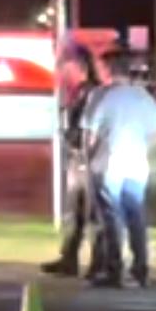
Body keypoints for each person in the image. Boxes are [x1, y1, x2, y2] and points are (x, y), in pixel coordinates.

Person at [84, 53, 156, 287]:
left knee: (111, 217)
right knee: (136, 215)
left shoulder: (103, 97)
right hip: (137, 163)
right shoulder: (143, 97)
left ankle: (114, 269)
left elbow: (89, 135)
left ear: (109, 71)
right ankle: (141, 268)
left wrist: (88, 160)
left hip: (109, 162)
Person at [39, 46, 103, 277]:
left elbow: (91, 127)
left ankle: (99, 262)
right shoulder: (76, 93)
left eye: (64, 66)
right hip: (77, 159)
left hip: (90, 160)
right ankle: (69, 258)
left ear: (79, 67)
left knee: (93, 213)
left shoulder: (93, 94)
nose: (60, 72)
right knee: (74, 212)